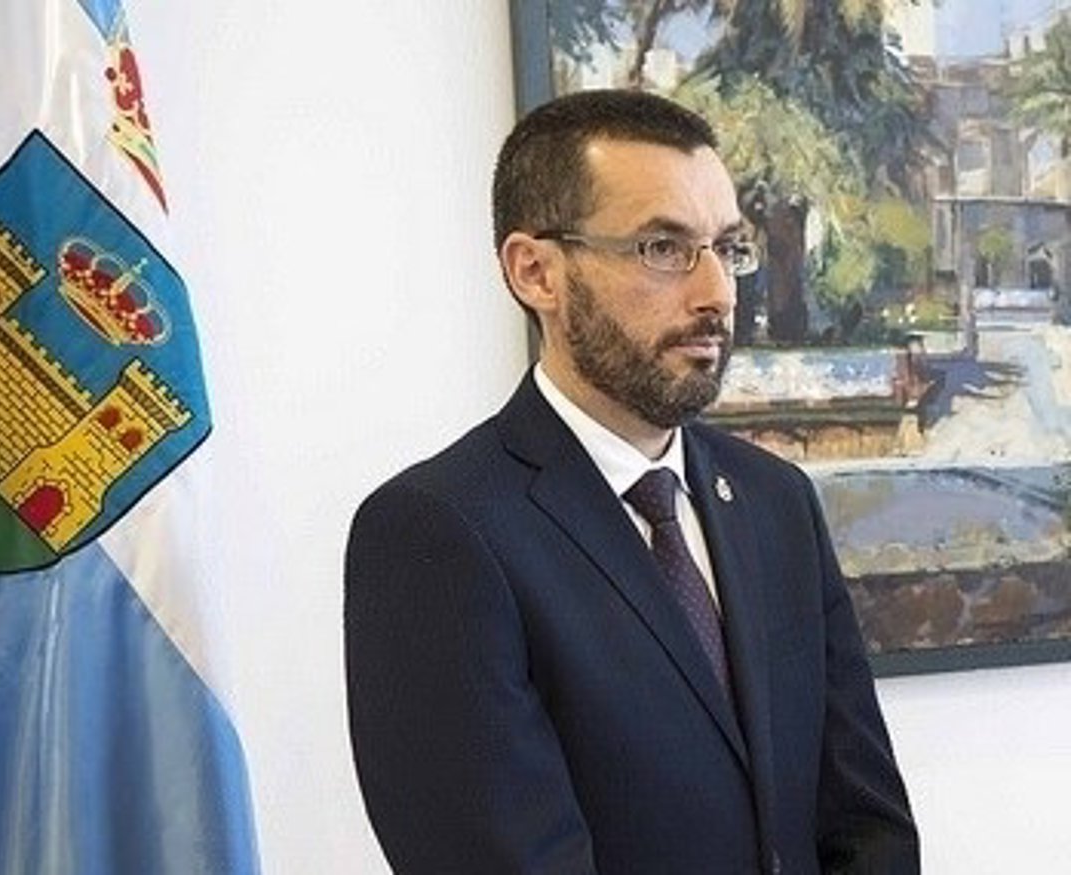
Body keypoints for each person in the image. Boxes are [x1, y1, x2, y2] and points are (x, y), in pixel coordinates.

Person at [345, 89, 919, 874]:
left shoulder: (775, 500)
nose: (717, 293)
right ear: (536, 271)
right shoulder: (437, 533)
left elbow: (867, 825)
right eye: (662, 247)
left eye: (727, 248)